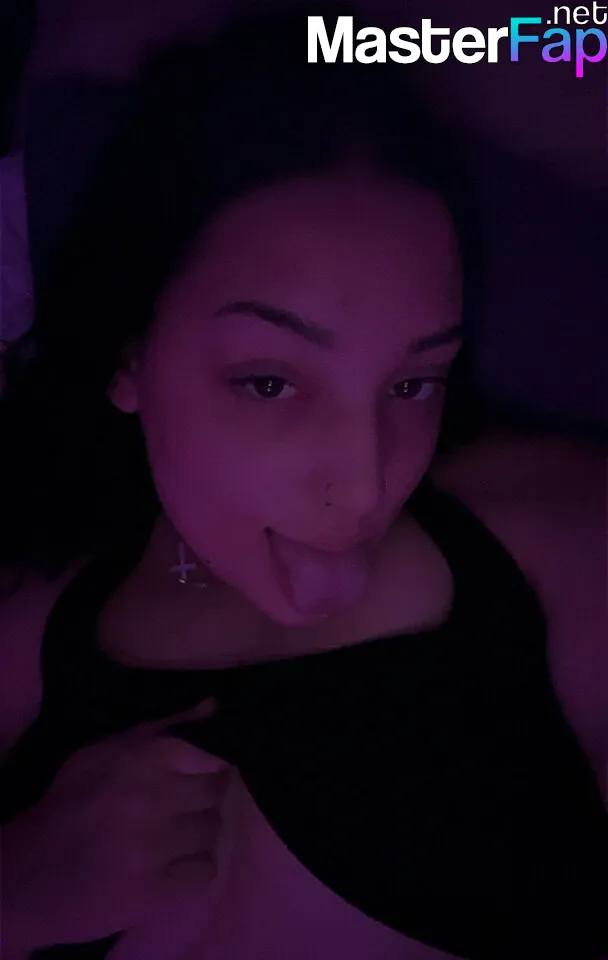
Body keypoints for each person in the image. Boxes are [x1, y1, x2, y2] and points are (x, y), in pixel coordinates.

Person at [0, 6, 606, 960]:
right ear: (129, 355)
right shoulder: (29, 628)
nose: (365, 485)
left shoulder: (558, 530)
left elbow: (573, 36)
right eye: (270, 383)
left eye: (413, 383)